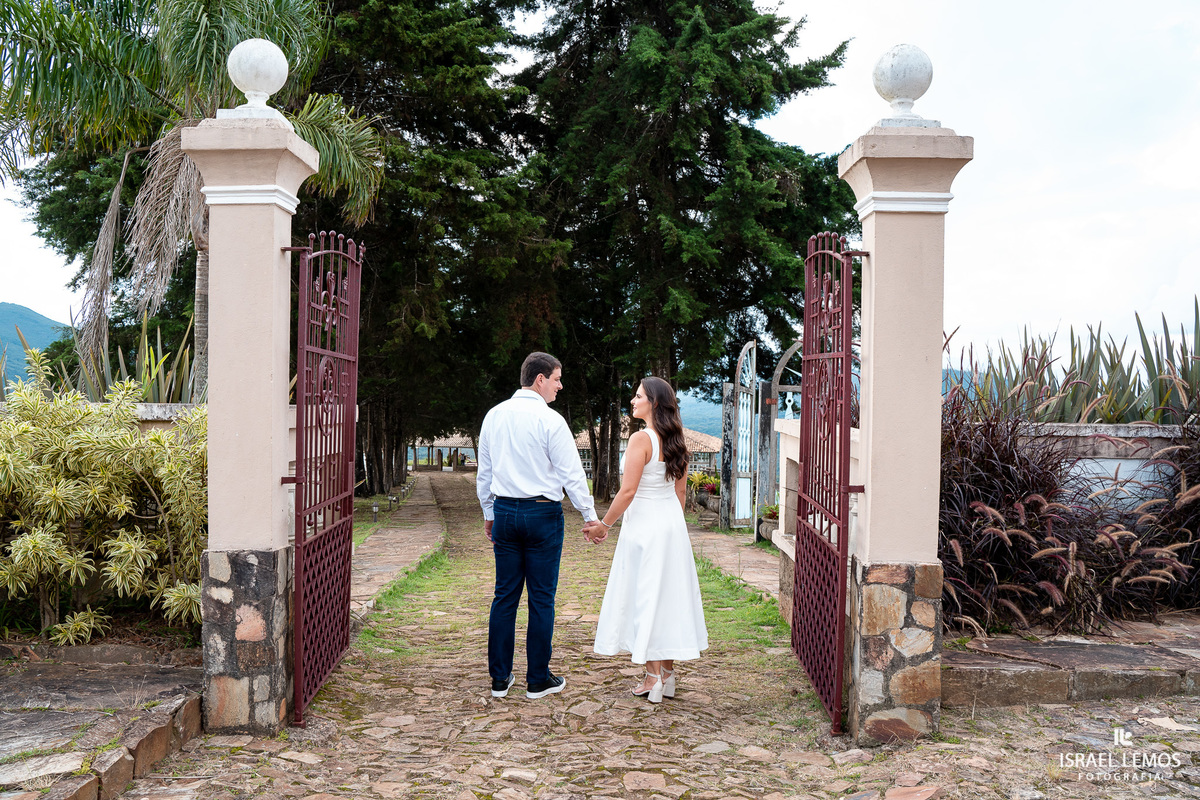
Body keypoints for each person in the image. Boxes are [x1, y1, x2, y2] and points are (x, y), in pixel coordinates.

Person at [477, 352, 599, 700]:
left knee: (505, 596)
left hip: (504, 512)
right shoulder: (551, 420)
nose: (560, 386)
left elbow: (484, 473)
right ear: (540, 379)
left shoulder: (494, 416)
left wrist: (489, 512)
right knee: (541, 598)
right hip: (543, 515)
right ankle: (537, 679)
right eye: (557, 379)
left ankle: (500, 679)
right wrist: (589, 516)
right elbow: (571, 474)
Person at [585, 377, 708, 703]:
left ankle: (653, 675)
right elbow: (679, 493)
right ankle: (665, 673)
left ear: (653, 403)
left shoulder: (642, 438)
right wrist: (673, 528)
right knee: (664, 598)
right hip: (671, 526)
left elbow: (628, 491)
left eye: (638, 396)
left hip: (644, 528)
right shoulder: (676, 439)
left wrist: (604, 525)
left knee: (645, 598)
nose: (632, 400)